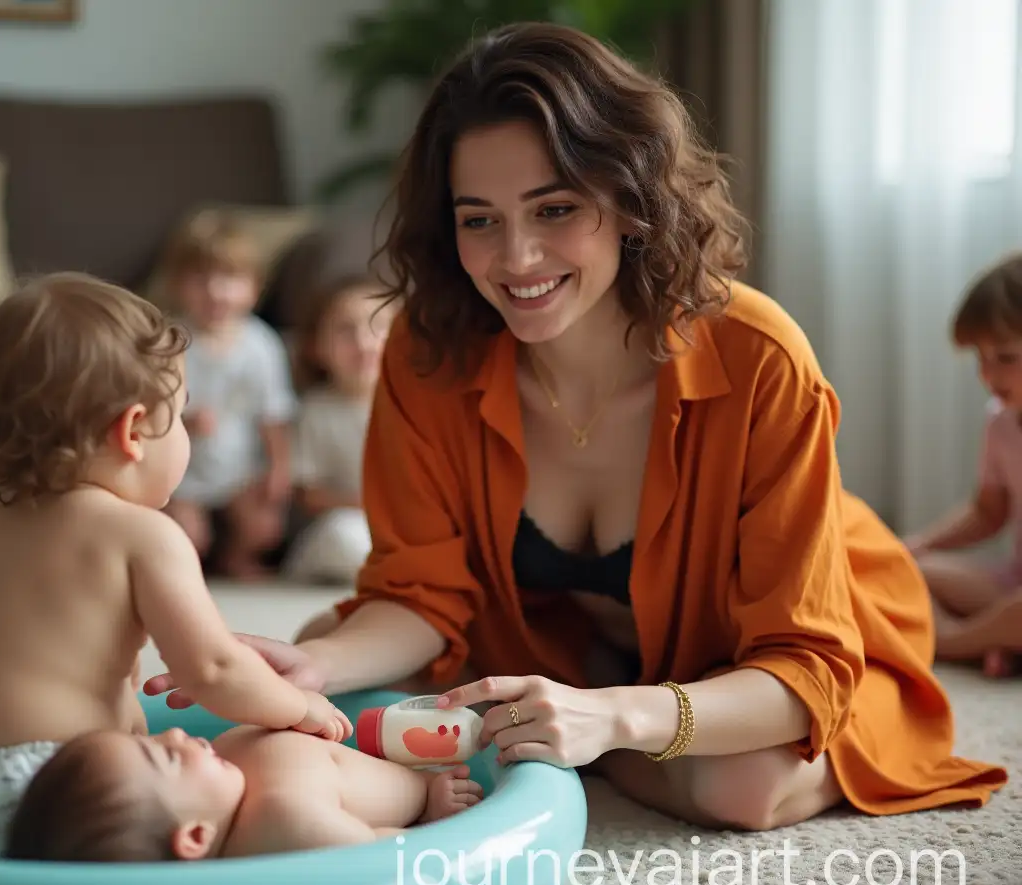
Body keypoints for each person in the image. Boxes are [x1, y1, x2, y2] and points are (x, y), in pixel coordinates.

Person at [146, 22, 1008, 832]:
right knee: (321, 650)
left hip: (759, 642)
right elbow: (421, 592)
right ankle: (564, 720)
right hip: (553, 643)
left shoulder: (760, 357)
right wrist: (323, 671)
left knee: (739, 785)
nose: (516, 259)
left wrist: (613, 716)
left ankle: (579, 734)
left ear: (631, 200)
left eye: (555, 210)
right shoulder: (426, 348)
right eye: (479, 219)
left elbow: (800, 665)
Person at [0, 272, 350, 859]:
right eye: (182, 414)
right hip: (40, 802)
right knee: (254, 786)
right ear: (135, 430)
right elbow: (214, 671)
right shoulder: (144, 535)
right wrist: (302, 708)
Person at [3, 724, 482, 862]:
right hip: (429, 781)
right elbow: (381, 853)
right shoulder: (287, 825)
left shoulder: (226, 763)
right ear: (194, 836)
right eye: (165, 757)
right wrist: (431, 816)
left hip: (388, 733)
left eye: (148, 740)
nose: (172, 733)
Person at [149, 209, 297, 578]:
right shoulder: (170, 343)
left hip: (239, 471)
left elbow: (273, 414)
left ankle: (235, 557)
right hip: (183, 475)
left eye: (230, 278)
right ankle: (189, 570)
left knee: (265, 528)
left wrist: (280, 467)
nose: (216, 291)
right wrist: (182, 421)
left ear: (254, 286)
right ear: (177, 284)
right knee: (185, 537)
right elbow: (148, 412)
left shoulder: (261, 344)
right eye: (200, 279)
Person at [906, 252, 1022, 678]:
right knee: (908, 573)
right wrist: (919, 544)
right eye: (980, 357)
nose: (988, 374)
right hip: (1009, 587)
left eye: (1006, 358)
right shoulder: (1000, 423)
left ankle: (955, 642)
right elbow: (988, 513)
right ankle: (997, 638)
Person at [280, 274, 397, 584]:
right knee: (344, 536)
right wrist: (368, 505)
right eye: (346, 330)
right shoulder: (316, 411)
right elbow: (308, 494)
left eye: (378, 325)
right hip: (352, 524)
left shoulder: (423, 405)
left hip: (410, 527)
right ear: (316, 346)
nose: (363, 342)